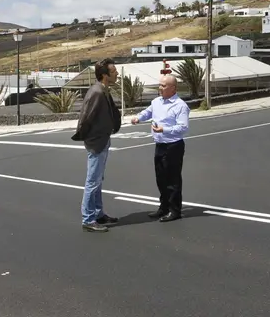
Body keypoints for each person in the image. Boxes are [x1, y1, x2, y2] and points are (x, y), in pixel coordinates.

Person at [71, 58, 122, 232]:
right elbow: (85, 118)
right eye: (114, 71)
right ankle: (88, 219)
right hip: (97, 142)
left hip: (103, 140)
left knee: (98, 180)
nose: (117, 73)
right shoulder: (97, 92)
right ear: (105, 75)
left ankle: (99, 214)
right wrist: (86, 138)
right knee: (92, 181)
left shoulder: (103, 90)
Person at [131, 74, 190, 222]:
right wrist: (138, 117)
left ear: (173, 88)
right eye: (160, 85)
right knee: (161, 178)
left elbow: (183, 127)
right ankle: (163, 207)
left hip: (173, 145)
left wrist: (164, 129)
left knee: (173, 179)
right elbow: (148, 112)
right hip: (160, 145)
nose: (160, 88)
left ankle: (174, 210)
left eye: (164, 86)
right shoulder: (156, 101)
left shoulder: (180, 106)